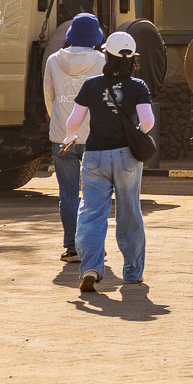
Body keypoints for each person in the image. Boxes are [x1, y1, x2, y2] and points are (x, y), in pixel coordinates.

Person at [64, 31, 155, 293]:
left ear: (106, 56)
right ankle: (132, 273)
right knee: (129, 213)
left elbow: (74, 120)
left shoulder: (91, 85)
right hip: (127, 156)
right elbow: (148, 122)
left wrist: (69, 138)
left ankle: (91, 268)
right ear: (132, 59)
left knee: (92, 214)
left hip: (95, 156)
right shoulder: (138, 86)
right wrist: (135, 132)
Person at [42, 13, 105, 266]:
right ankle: (93, 247)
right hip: (95, 136)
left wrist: (60, 123)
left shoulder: (53, 60)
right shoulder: (102, 61)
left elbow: (49, 97)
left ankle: (71, 248)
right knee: (95, 195)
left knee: (68, 194)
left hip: (62, 136)